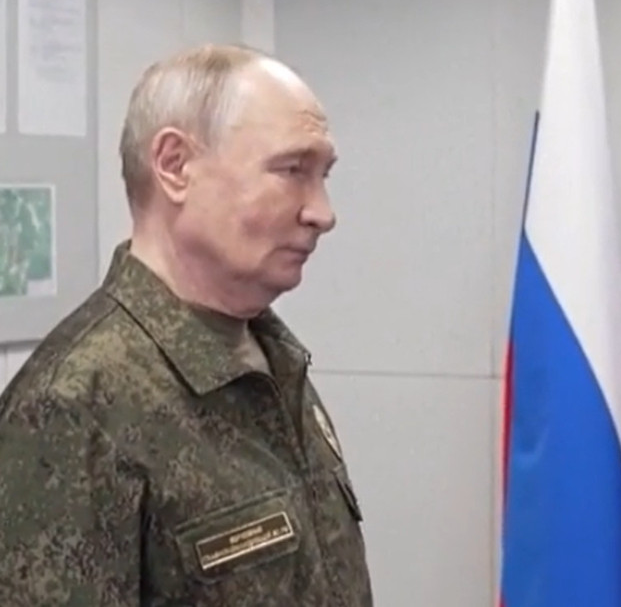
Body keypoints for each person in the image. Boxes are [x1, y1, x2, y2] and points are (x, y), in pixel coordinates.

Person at [0, 44, 373, 606]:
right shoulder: (74, 407)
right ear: (175, 166)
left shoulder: (274, 361)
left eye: (323, 175)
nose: (323, 212)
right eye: (293, 170)